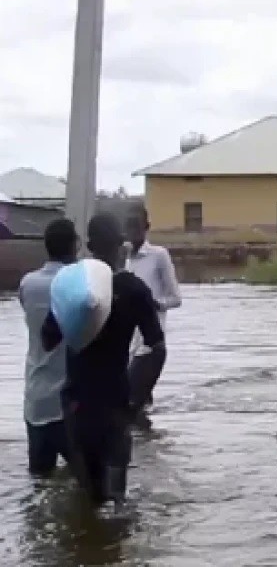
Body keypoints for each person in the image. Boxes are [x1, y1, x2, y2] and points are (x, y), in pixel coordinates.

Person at [41, 213, 166, 506]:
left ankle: (88, 546)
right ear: (121, 246)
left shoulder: (73, 288)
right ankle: (113, 547)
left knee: (88, 496)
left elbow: (48, 340)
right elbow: (157, 347)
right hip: (116, 403)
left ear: (88, 245)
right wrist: (135, 400)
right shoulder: (134, 289)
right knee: (117, 498)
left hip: (78, 404)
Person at [17, 218, 78, 477]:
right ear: (74, 246)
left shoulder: (27, 284)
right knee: (90, 488)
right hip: (69, 403)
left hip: (36, 400)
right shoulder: (78, 284)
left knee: (41, 485)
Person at [124, 205, 181, 421]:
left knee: (130, 405)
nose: (132, 232)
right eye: (129, 227)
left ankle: (144, 448)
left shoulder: (159, 256)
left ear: (146, 228)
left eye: (137, 227)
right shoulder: (123, 259)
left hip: (150, 344)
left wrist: (152, 305)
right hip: (127, 344)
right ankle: (148, 450)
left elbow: (176, 298)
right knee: (138, 406)